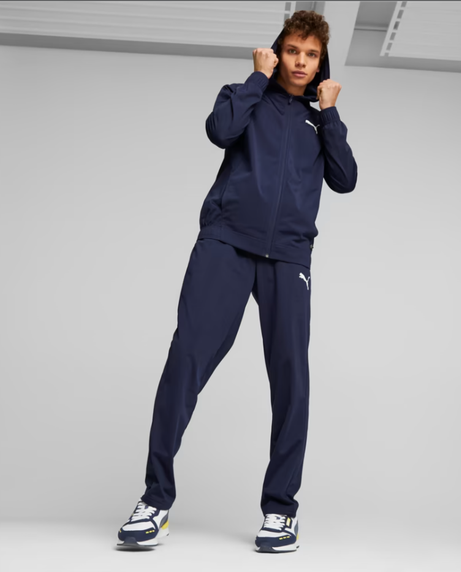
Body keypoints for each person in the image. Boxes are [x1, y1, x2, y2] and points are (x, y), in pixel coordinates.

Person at [116, 10, 357, 553]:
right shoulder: (245, 96)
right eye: (292, 51)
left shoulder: (319, 120)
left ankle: (281, 512)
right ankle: (155, 500)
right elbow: (219, 131)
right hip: (225, 242)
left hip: (288, 257)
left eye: (311, 55)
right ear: (276, 51)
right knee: (186, 360)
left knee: (292, 380)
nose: (300, 62)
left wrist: (331, 112)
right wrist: (255, 77)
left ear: (321, 62)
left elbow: (345, 179)